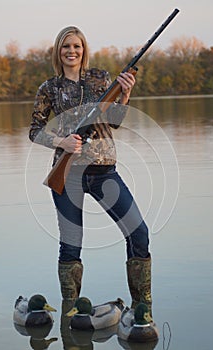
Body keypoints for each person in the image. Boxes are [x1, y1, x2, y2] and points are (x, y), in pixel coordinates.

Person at [29, 26, 154, 319]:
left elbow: (114, 123)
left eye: (77, 46)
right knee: (71, 244)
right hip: (68, 174)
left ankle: (141, 309)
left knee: (139, 232)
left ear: (84, 50)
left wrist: (125, 94)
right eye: (65, 47)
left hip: (103, 171)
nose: (71, 51)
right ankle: (71, 313)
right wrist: (61, 141)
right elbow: (34, 131)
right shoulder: (48, 88)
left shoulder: (100, 79)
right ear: (58, 51)